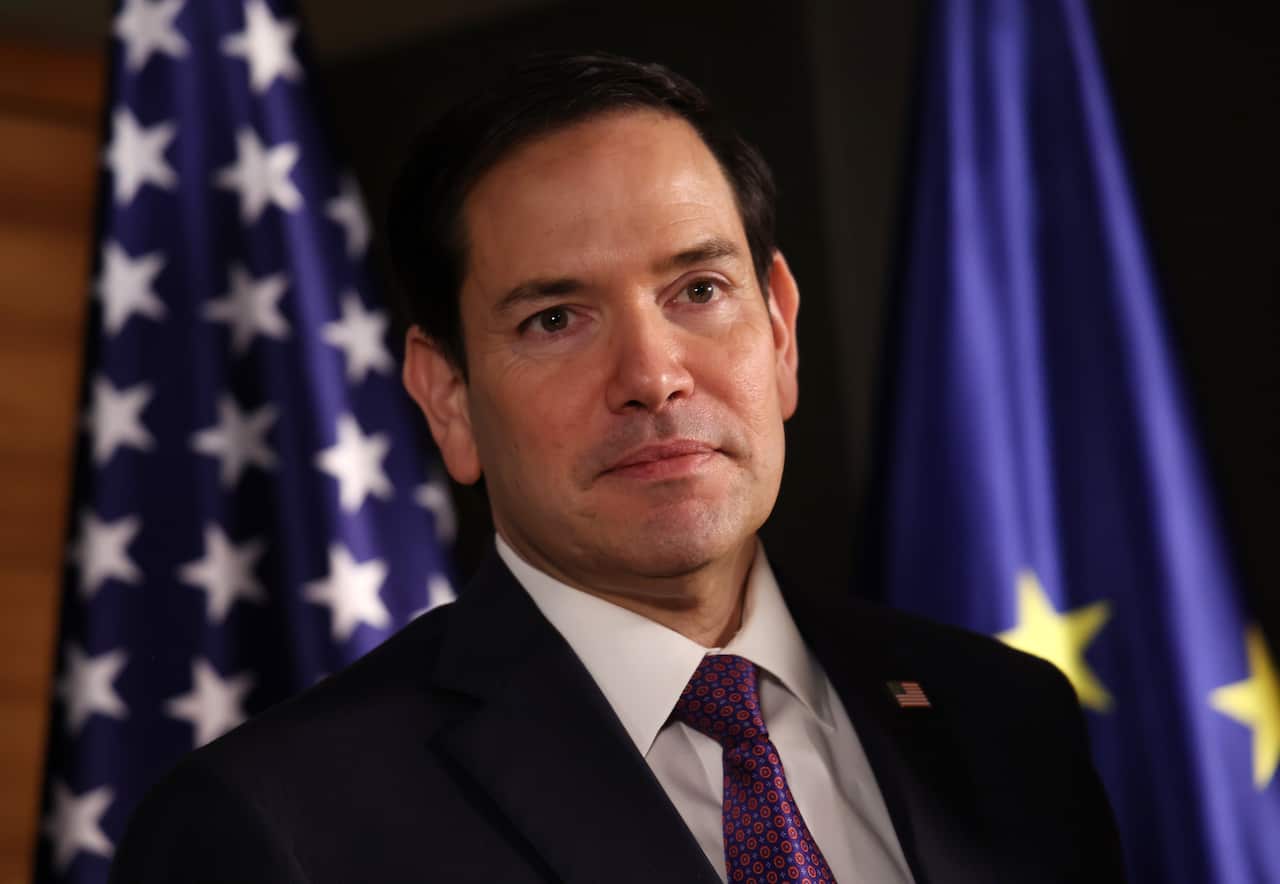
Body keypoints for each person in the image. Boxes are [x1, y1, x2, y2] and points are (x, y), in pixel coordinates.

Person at [112, 52, 1126, 883]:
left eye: (696, 288)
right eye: (555, 318)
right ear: (447, 397)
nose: (651, 375)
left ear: (778, 330)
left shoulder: (1006, 723)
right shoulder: (270, 829)